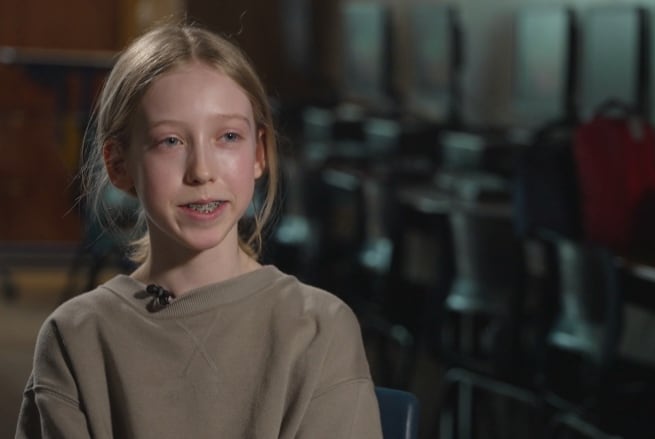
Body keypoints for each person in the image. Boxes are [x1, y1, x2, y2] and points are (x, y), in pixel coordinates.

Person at [16, 21, 382, 439]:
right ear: (119, 164)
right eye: (170, 141)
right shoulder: (75, 338)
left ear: (258, 153)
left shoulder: (318, 329)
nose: (202, 171)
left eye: (227, 136)